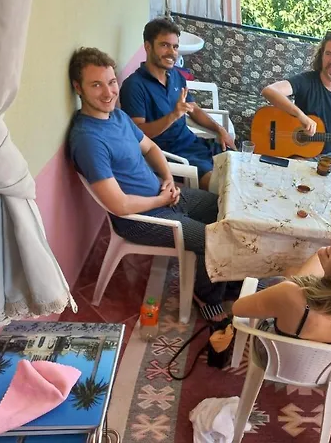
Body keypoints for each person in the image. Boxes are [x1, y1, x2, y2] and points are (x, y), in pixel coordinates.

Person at [67, 47, 228, 322]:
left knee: (221, 207)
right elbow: (119, 205)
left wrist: (168, 180)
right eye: (96, 85)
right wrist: (161, 200)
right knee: (215, 239)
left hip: (161, 197)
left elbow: (151, 148)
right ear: (78, 87)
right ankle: (207, 297)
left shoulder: (117, 117)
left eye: (111, 82)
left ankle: (222, 277)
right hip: (138, 218)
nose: (108, 93)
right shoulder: (88, 140)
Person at [120, 18, 236, 191]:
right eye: (164, 45)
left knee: (239, 166)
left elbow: (193, 109)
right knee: (222, 188)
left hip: (193, 143)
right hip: (171, 155)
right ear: (148, 47)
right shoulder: (134, 86)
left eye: (175, 47)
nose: (172, 52)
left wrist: (220, 130)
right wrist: (173, 115)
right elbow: (138, 133)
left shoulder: (174, 75)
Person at [232, 236, 331, 345]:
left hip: (274, 357)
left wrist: (288, 287)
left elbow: (238, 309)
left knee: (283, 277)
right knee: (295, 270)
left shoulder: (289, 293)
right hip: (323, 367)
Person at [260, 31, 331, 165]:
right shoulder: (306, 80)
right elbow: (268, 91)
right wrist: (301, 116)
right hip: (302, 151)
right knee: (299, 173)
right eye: (328, 54)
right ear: (322, 55)